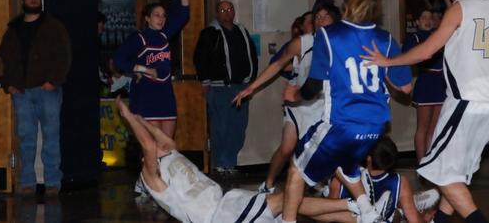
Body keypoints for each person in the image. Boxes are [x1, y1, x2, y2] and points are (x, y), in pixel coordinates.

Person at [363, 0, 489, 223]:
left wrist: (389, 61)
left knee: (437, 170)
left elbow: (427, 51)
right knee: (455, 172)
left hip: (467, 102)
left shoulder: (463, 6)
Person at [281, 0, 413, 223]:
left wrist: (294, 93)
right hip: (375, 127)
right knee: (344, 164)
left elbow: (313, 87)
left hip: (342, 123)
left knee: (295, 172)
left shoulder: (329, 35)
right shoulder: (385, 39)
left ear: (347, 2)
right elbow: (406, 88)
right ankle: (369, 212)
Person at [114, 96, 367, 223]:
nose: (159, 143)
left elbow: (156, 139)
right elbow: (148, 145)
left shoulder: (169, 153)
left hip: (229, 202)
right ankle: (354, 206)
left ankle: (361, 214)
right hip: (220, 218)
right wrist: (128, 117)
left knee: (291, 202)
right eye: (152, 147)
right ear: (144, 159)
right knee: (287, 201)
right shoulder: (151, 178)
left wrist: (141, 119)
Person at [233, 3, 341, 194]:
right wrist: (251, 87)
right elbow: (277, 65)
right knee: (286, 148)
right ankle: (268, 184)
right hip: (298, 103)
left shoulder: (342, 44)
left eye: (324, 16)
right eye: (317, 17)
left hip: (324, 105)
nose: (319, 20)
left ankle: (325, 184)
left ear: (335, 21)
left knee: (325, 149)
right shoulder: (302, 43)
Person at [0, 0, 72, 195]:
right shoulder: (13, 29)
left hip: (47, 90)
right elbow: (2, 59)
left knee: (51, 137)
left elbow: (65, 55)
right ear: (22, 1)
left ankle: (52, 182)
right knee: (26, 138)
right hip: (21, 92)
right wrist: (8, 84)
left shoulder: (53, 26)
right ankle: (27, 183)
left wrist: (54, 81)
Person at [113, 0, 190, 139]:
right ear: (147, 18)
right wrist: (143, 69)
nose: (161, 19)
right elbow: (118, 60)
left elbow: (183, 13)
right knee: (152, 147)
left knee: (167, 146)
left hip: (166, 96)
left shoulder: (164, 35)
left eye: (163, 16)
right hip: (146, 97)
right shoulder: (139, 38)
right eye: (156, 15)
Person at [193, 0, 258, 175]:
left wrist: (251, 81)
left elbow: (251, 55)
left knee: (238, 127)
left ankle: (230, 162)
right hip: (219, 88)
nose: (227, 13)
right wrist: (205, 81)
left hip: (241, 87)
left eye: (230, 9)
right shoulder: (209, 33)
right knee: (220, 127)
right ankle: (220, 163)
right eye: (222, 10)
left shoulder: (242, 31)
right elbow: (200, 58)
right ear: (216, 13)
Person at [329, 136, 439, 223]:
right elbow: (414, 220)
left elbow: (328, 213)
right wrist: (425, 219)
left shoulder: (341, 179)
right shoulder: (400, 181)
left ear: (368, 158)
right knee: (400, 213)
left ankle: (404, 207)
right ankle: (406, 206)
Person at [402, 9, 445, 163]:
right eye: (424, 17)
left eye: (430, 18)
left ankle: (430, 163)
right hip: (426, 83)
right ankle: (421, 163)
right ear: (418, 22)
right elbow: (406, 57)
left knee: (434, 127)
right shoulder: (414, 38)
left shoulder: (438, 36)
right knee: (423, 127)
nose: (428, 21)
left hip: (440, 84)